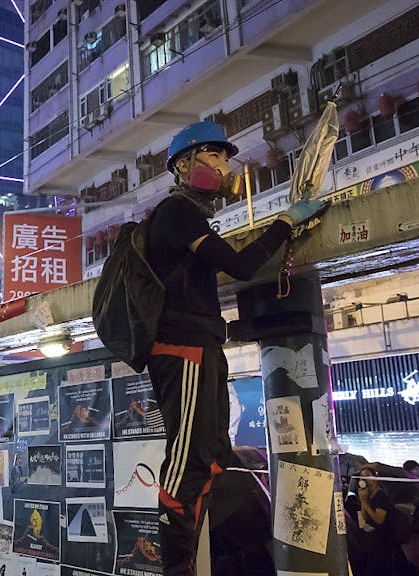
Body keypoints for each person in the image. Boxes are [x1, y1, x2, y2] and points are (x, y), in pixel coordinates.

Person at [143, 121, 327, 576]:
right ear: (183, 165)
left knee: (211, 454)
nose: (224, 167)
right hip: (182, 349)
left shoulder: (192, 217)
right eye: (214, 156)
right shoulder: (176, 212)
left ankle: (188, 557)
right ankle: (176, 567)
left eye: (226, 159)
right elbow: (242, 266)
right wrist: (285, 222)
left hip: (201, 347)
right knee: (187, 459)